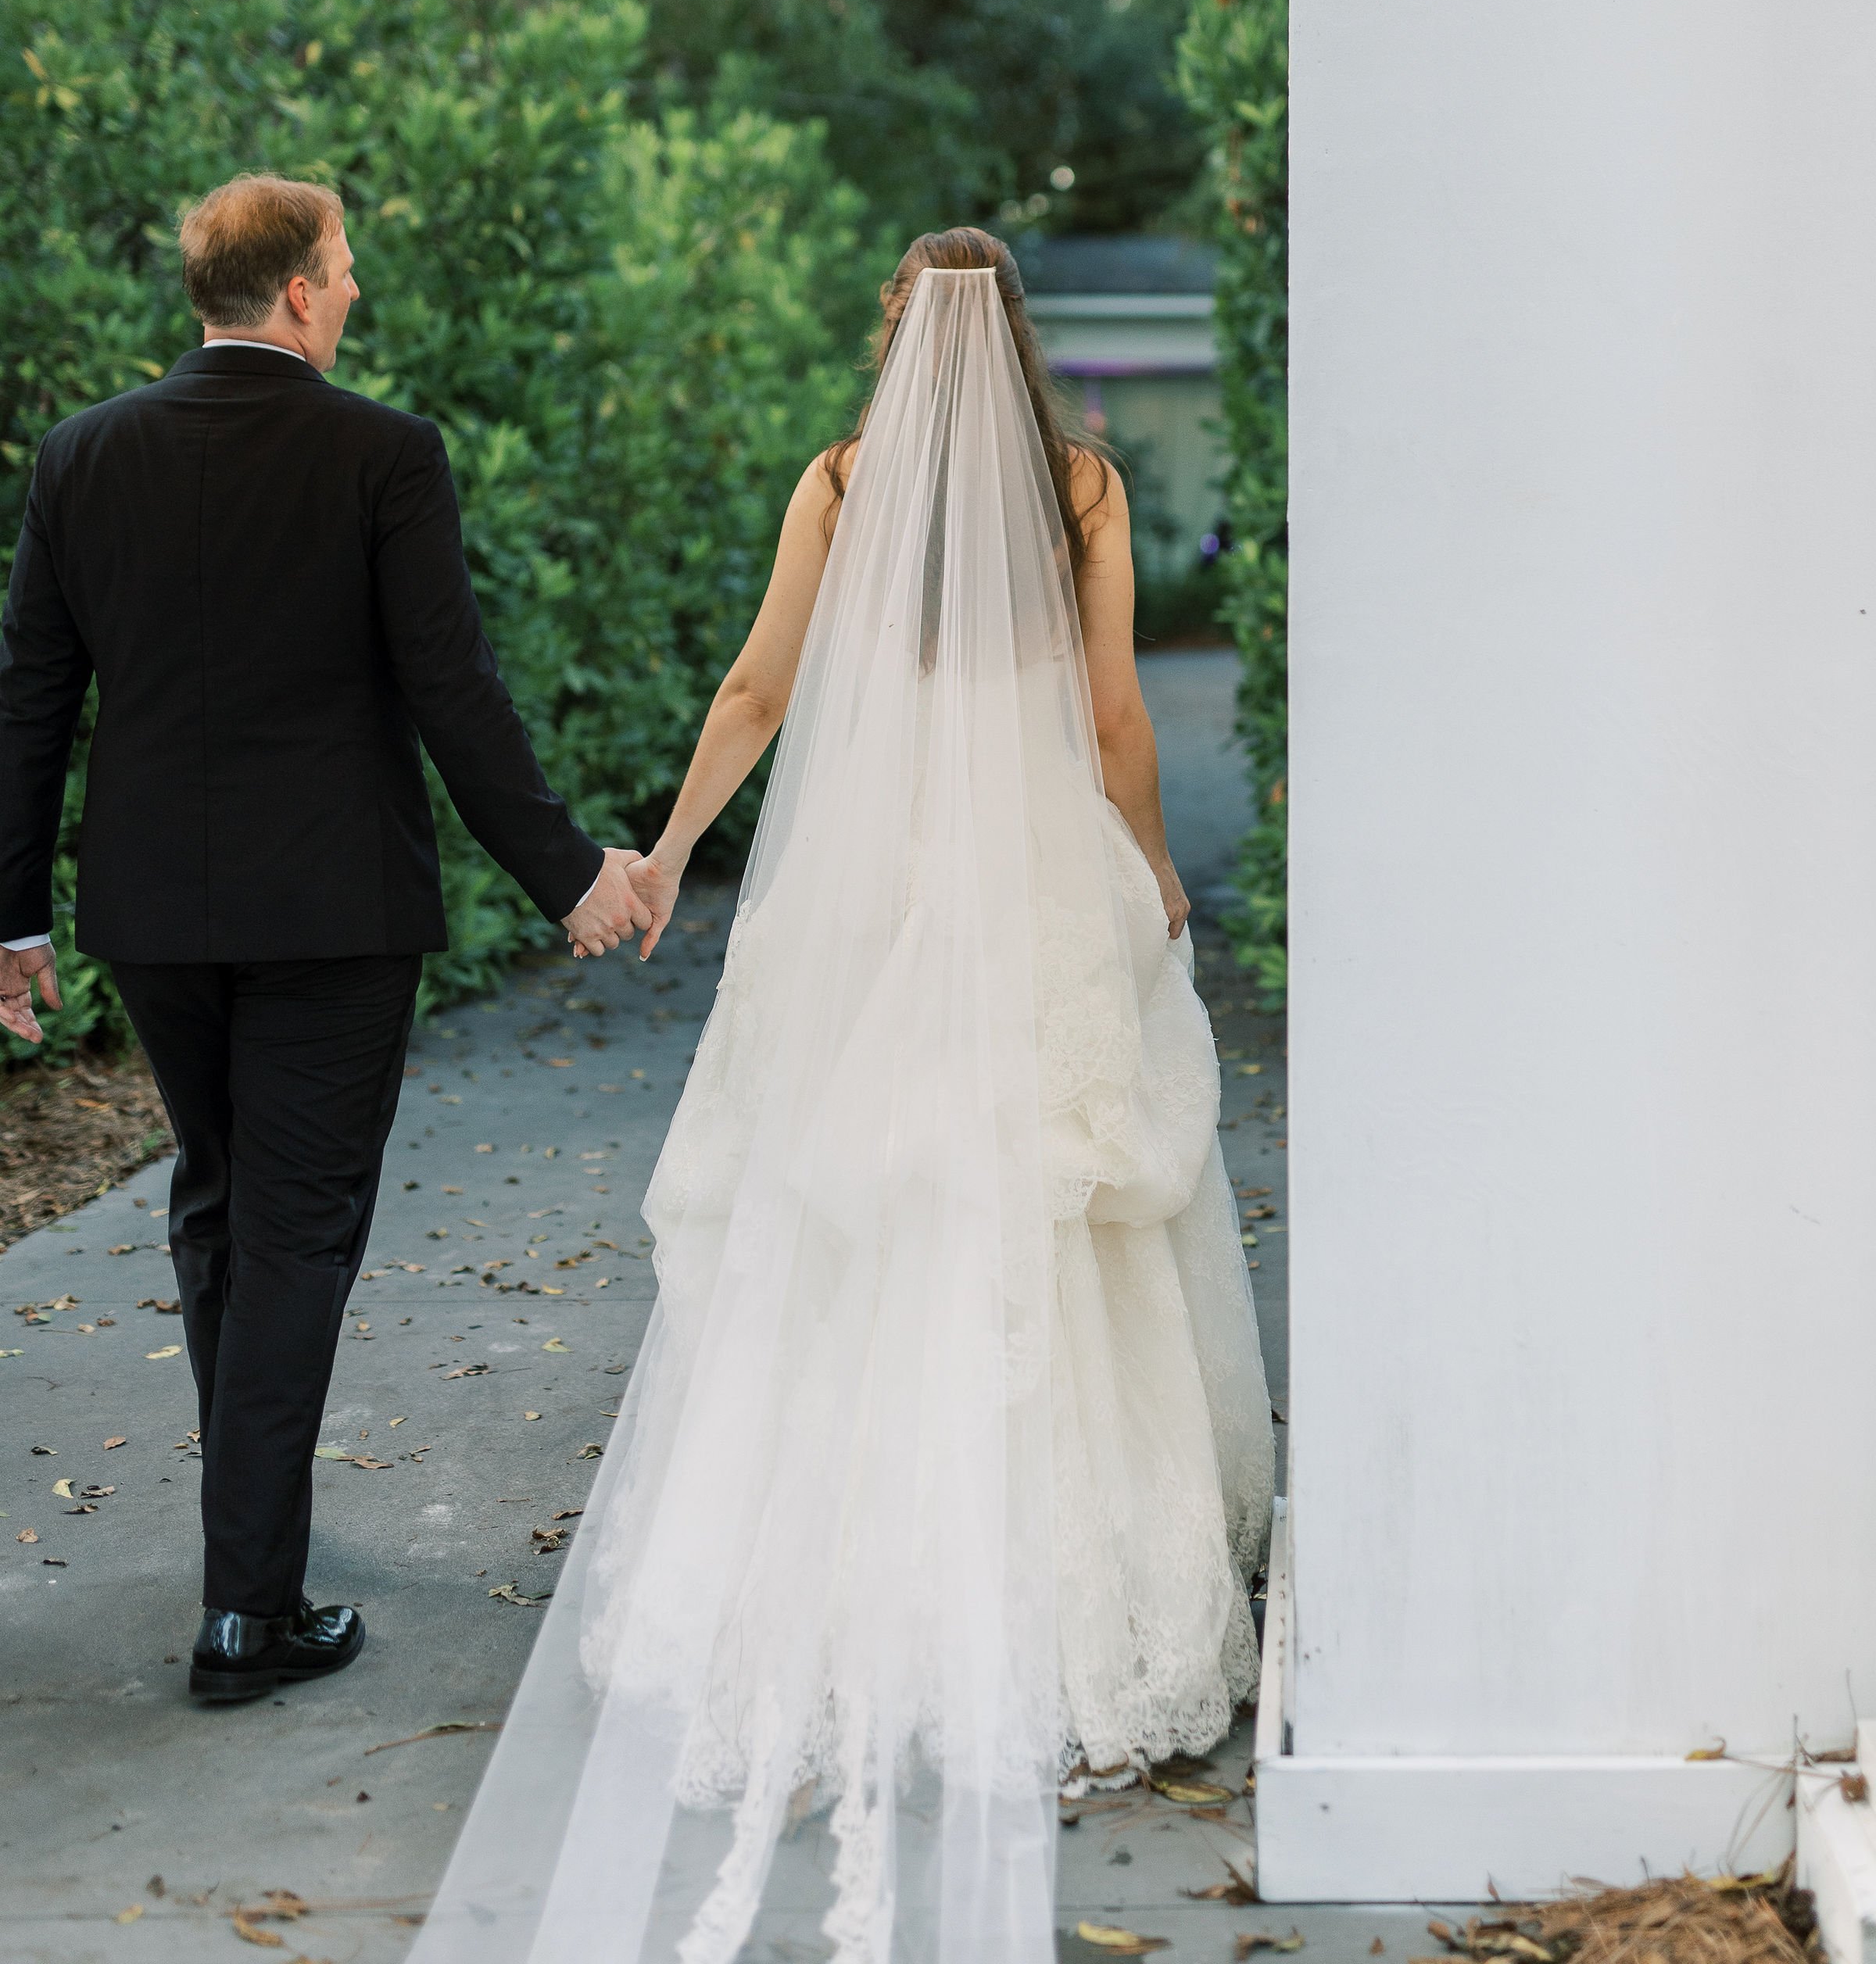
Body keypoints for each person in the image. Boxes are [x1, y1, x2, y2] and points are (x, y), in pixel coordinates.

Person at [410, 228, 1274, 1964]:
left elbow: (759, 686)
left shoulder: (841, 479)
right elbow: (1113, 718)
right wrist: (1154, 870)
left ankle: (823, 1581)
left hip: (864, 910)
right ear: (1019, 336)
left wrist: (659, 855)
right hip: (1032, 889)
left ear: (896, 334)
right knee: (1043, 1199)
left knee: (850, 1209)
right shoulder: (1085, 488)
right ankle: (1055, 1595)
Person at [0, 174, 650, 1703]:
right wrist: (569, 874)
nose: (353, 292)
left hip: (154, 914)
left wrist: (14, 916)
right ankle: (249, 1611)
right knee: (293, 1232)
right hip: (334, 913)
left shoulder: (81, 458)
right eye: (345, 270)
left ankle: (256, 1553)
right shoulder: (382, 456)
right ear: (296, 291)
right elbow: (453, 694)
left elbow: (32, 700)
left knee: (220, 1206)